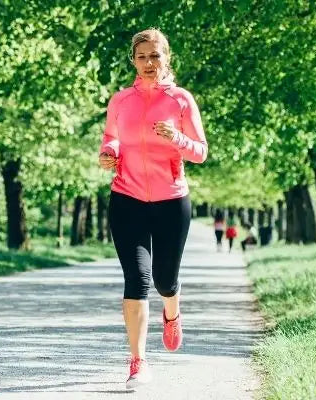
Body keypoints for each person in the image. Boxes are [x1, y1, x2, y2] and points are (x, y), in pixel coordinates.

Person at [97, 28, 208, 390]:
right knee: (137, 279)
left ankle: (172, 313)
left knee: (164, 279)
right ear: (133, 60)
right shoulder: (121, 100)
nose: (148, 63)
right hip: (126, 197)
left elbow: (200, 151)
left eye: (155, 56)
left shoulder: (181, 100)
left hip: (171, 200)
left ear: (166, 58)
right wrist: (110, 154)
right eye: (142, 56)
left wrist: (176, 138)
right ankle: (138, 361)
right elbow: (111, 136)